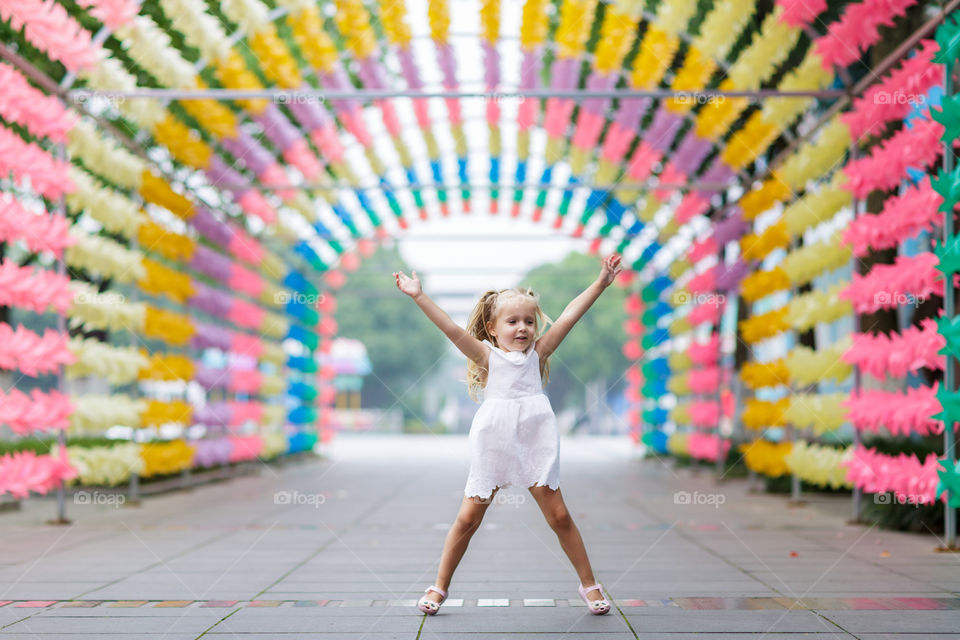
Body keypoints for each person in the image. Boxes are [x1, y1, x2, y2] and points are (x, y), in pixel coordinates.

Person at [392, 253, 623, 616]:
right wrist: (418, 296)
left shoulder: (539, 354)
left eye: (529, 321)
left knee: (559, 516)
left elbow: (569, 316)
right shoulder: (487, 356)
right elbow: (451, 330)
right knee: (469, 518)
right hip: (494, 441)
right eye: (512, 321)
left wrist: (600, 283)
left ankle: (590, 584)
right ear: (492, 327)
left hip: (536, 438)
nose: (522, 329)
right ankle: (439, 587)